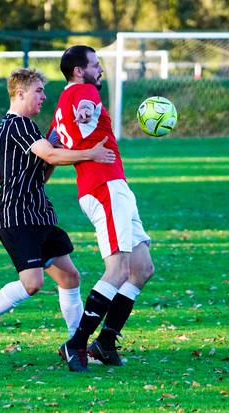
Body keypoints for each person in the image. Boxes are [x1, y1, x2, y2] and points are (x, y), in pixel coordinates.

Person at [0, 68, 116, 361]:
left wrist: (56, 148)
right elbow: (51, 156)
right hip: (17, 216)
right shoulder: (17, 125)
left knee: (70, 277)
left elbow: (43, 172)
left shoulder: (27, 128)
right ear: (19, 94)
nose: (44, 97)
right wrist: (89, 154)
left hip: (39, 214)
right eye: (38, 91)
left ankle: (77, 345)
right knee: (33, 284)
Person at [49, 45, 155, 372]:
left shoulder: (61, 106)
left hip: (113, 186)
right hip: (104, 186)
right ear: (79, 70)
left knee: (141, 268)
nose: (100, 70)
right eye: (95, 65)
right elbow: (85, 105)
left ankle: (105, 343)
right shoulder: (83, 91)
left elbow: (54, 140)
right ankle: (76, 343)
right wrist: (83, 110)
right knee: (118, 269)